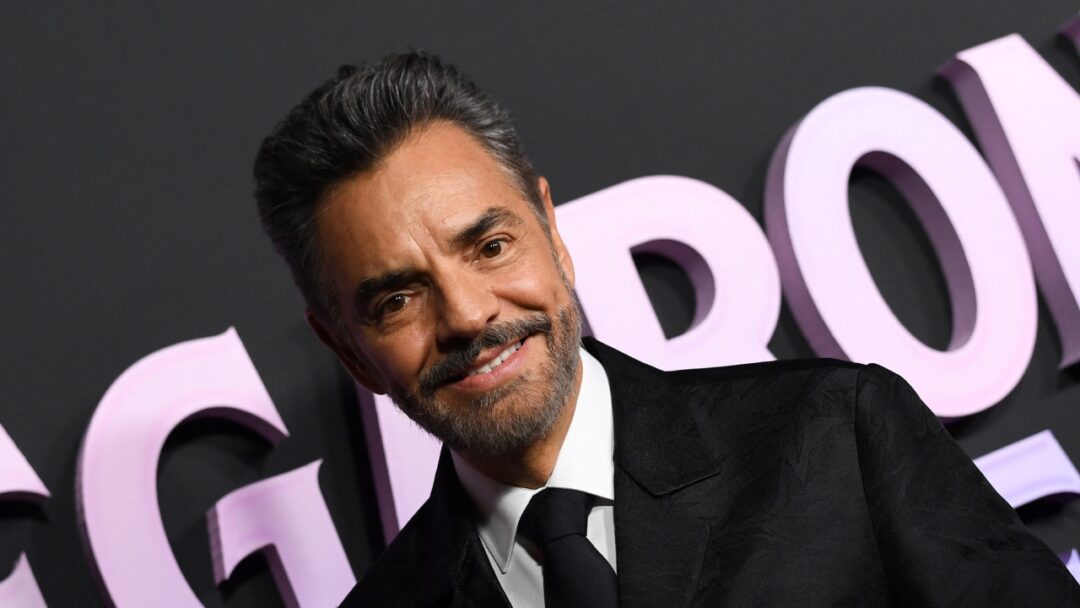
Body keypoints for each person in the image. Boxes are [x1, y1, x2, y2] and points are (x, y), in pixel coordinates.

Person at [253, 52, 1080, 607]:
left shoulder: (837, 434)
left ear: (552, 231)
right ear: (347, 350)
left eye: (491, 246)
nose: (468, 315)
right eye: (397, 301)